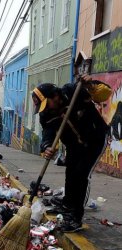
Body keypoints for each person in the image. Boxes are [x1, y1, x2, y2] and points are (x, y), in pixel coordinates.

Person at [31, 75, 111, 232]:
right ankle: (67, 206)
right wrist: (46, 146)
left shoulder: (74, 91)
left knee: (81, 175)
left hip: (95, 140)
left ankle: (76, 217)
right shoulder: (46, 114)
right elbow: (48, 132)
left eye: (47, 104)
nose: (46, 108)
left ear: (55, 96)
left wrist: (90, 85)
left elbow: (104, 94)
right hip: (74, 145)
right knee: (71, 173)